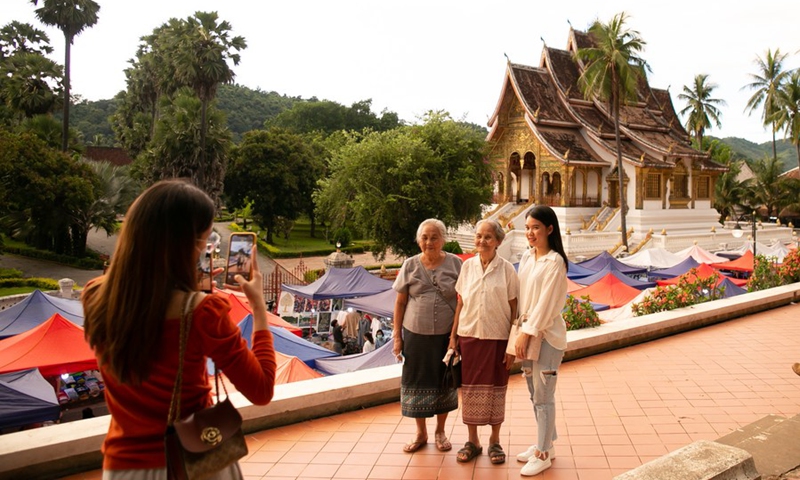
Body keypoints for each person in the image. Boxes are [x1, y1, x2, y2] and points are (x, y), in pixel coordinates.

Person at [81, 179, 277, 479]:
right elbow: (261, 389)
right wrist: (259, 307)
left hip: (124, 466)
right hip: (193, 463)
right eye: (205, 242)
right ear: (185, 247)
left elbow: (147, 306)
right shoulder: (202, 312)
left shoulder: (96, 296)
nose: (207, 250)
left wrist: (192, 287)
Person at [449, 219, 519, 464]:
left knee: (497, 389)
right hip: (469, 338)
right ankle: (473, 441)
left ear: (498, 241)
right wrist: (452, 339)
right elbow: (460, 304)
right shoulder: (467, 267)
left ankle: (495, 441)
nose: (482, 241)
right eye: (479, 236)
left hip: (497, 339)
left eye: (488, 237)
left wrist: (512, 347)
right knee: (469, 391)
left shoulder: (508, 269)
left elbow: (514, 310)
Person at [392, 218, 462, 454]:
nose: (429, 242)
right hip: (415, 335)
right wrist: (397, 336)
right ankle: (420, 433)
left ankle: (440, 431)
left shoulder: (455, 264)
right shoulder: (409, 265)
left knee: (443, 382)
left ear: (443, 240)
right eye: (424, 237)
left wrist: (457, 336)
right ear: (418, 240)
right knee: (416, 383)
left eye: (434, 237)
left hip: (446, 336)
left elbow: (464, 300)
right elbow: (400, 302)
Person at [513, 206, 569, 477]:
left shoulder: (555, 262)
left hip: (546, 336)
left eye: (536, 227)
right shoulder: (527, 257)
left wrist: (527, 332)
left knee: (544, 395)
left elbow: (547, 304)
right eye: (527, 228)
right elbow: (523, 296)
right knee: (535, 393)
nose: (530, 233)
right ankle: (546, 444)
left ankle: (543, 453)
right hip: (526, 331)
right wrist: (519, 328)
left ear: (549, 229)